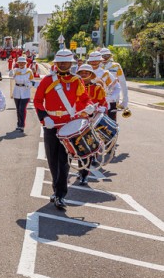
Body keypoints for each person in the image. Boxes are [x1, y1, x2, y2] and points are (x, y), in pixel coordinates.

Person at [33, 49, 95, 210]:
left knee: (65, 160)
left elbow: (84, 99)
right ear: (56, 63)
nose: (62, 64)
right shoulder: (47, 80)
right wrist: (44, 117)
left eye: (66, 62)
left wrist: (88, 107)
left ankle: (60, 194)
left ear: (71, 64)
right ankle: (56, 188)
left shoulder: (76, 80)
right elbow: (38, 100)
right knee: (52, 160)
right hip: (51, 125)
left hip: (69, 125)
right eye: (60, 61)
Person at [76, 64, 108, 185]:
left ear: (91, 75)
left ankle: (84, 174)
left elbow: (104, 103)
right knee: (80, 148)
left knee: (88, 147)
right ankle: (81, 171)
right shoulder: (75, 87)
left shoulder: (98, 88)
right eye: (81, 73)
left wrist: (100, 109)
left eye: (86, 72)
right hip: (78, 120)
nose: (84, 75)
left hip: (93, 121)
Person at [87, 51, 121, 122]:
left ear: (100, 61)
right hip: (87, 104)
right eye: (92, 61)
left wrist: (111, 98)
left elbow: (117, 87)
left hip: (102, 104)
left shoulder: (106, 73)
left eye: (96, 61)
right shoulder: (84, 73)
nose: (94, 63)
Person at [100, 47, 129, 116]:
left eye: (107, 55)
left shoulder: (116, 66)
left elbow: (123, 83)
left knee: (112, 119)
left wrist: (125, 101)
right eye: (103, 56)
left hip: (113, 96)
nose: (105, 58)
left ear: (110, 56)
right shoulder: (96, 66)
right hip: (99, 96)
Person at [9, 56, 34, 132]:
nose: (21, 64)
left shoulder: (29, 71)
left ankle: (22, 125)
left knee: (22, 109)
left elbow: (32, 81)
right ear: (18, 63)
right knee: (18, 109)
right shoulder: (16, 70)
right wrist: (11, 71)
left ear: (25, 63)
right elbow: (11, 76)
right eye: (20, 62)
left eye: (23, 63)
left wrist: (28, 84)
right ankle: (18, 124)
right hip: (17, 91)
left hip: (25, 91)